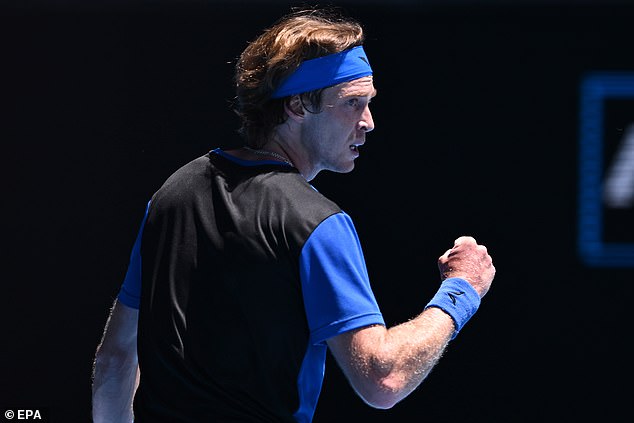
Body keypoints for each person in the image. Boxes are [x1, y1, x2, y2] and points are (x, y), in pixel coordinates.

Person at [92, 7, 496, 423]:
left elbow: (115, 360)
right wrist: (462, 290)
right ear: (299, 106)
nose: (368, 122)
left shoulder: (171, 194)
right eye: (353, 103)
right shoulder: (316, 223)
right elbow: (383, 378)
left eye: (369, 103)